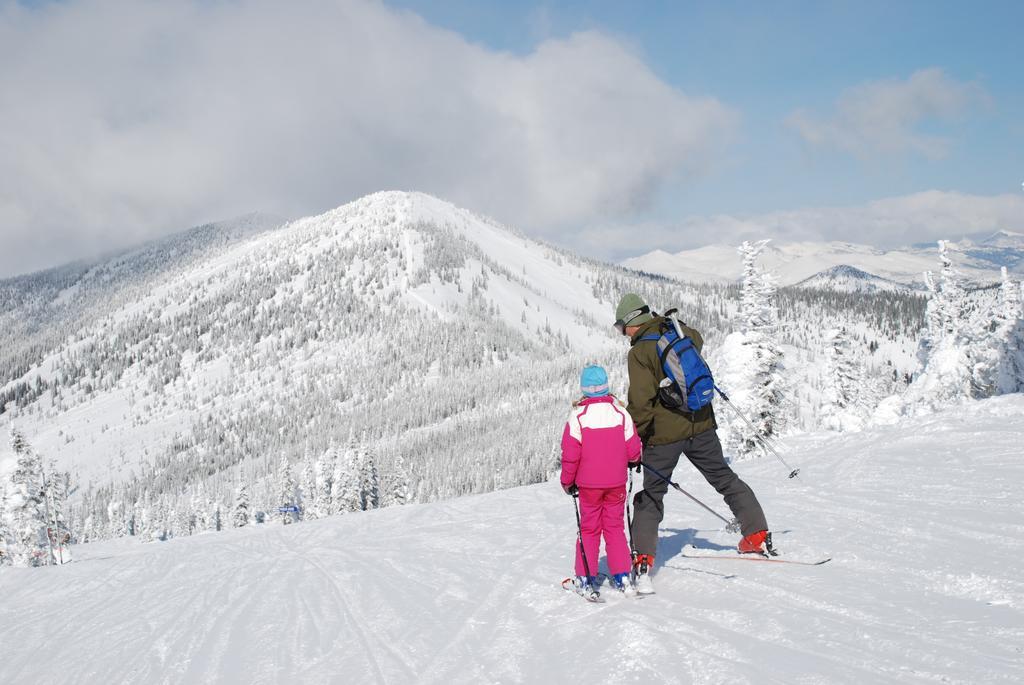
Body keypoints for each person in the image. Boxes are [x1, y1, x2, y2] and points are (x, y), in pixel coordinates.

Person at [614, 293, 772, 595]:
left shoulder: (639, 352)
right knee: (724, 478)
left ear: (633, 321)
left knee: (652, 494)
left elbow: (641, 402)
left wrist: (634, 438)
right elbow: (696, 340)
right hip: (701, 425)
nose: (624, 334)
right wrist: (671, 324)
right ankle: (757, 534)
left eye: (623, 327)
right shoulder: (674, 330)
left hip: (663, 436)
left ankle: (644, 557)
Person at [560, 364, 642, 596]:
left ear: (584, 389)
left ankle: (585, 577)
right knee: (615, 528)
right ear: (606, 386)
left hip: (588, 485)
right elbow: (634, 448)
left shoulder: (578, 416)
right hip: (616, 483)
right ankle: (623, 575)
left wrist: (567, 481)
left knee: (589, 529)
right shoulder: (620, 413)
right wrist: (633, 459)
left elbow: (570, 454)